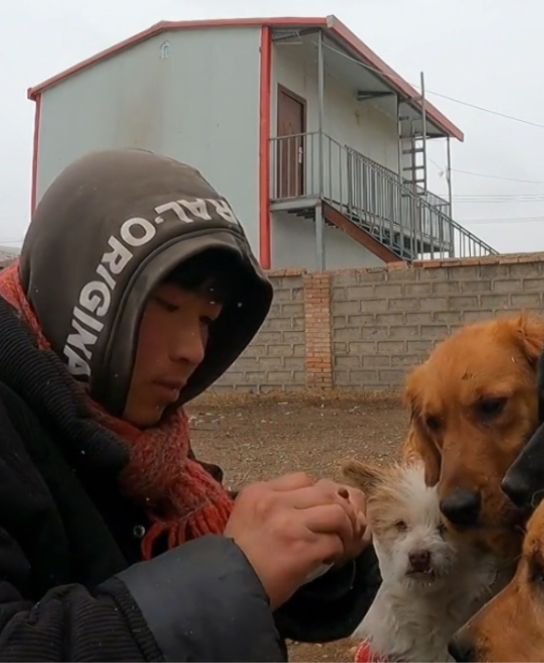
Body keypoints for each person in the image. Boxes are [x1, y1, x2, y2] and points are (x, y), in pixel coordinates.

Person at [0, 149, 382, 661]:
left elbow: (229, 602)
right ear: (85, 299)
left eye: (207, 319)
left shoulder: (140, 447)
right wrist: (232, 571)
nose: (194, 350)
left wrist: (314, 550)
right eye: (170, 307)